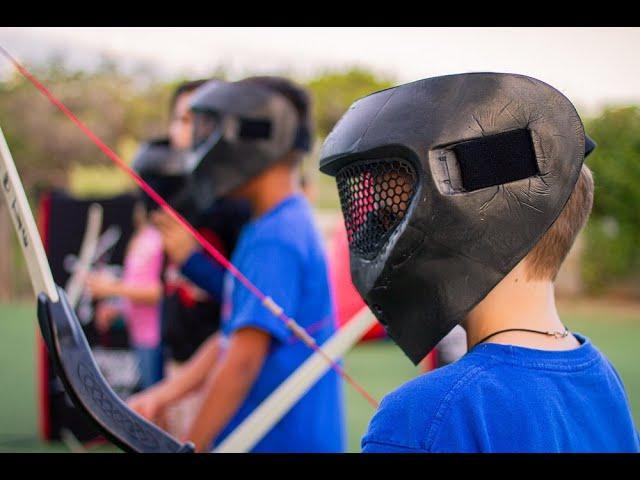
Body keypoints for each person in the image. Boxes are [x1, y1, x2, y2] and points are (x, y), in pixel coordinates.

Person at [319, 72, 640, 453]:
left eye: (392, 215)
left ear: (465, 220)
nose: (377, 231)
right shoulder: (601, 378)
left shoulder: (426, 414)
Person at [128, 76, 346, 453]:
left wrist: (189, 444)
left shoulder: (275, 238)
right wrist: (162, 395)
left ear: (259, 138)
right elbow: (229, 339)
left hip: (282, 442)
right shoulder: (266, 224)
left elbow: (242, 363)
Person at [87, 202, 164, 389]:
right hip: (140, 336)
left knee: (156, 404)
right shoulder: (141, 239)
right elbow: (136, 287)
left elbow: (158, 291)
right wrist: (118, 309)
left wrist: (111, 288)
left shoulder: (158, 240)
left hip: (156, 337)